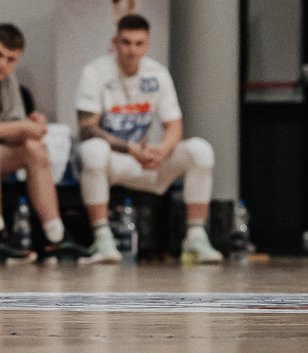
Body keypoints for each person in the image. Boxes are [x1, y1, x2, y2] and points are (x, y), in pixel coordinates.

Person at [74, 14, 223, 264]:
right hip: (115, 161)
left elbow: (174, 126)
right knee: (93, 150)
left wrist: (161, 151)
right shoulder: (95, 72)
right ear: (115, 42)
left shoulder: (157, 73)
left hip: (147, 160)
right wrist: (131, 149)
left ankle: (195, 238)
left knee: (201, 150)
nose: (132, 50)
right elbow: (87, 128)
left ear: (147, 44)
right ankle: (102, 238)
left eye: (139, 43)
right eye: (126, 42)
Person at [0, 23, 81, 260]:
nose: (3, 64)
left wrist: (32, 127)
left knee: (34, 148)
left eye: (11, 59)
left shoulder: (6, 75)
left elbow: (11, 130)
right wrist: (22, 127)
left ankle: (55, 235)